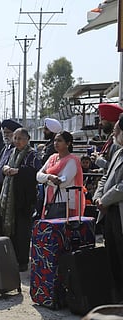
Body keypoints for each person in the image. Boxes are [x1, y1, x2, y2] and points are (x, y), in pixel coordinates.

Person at [0, 128, 41, 272]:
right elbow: (4, 165)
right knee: (12, 229)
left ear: (27, 139)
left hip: (24, 197)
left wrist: (18, 171)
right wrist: (6, 168)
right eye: (15, 138)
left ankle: (22, 261)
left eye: (20, 138)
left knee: (23, 230)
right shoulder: (12, 152)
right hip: (11, 196)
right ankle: (12, 258)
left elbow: (35, 172)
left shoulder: (32, 154)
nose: (16, 141)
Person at [93, 113, 123, 301]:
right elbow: (106, 176)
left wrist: (105, 199)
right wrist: (98, 197)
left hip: (117, 209)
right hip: (109, 212)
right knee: (112, 254)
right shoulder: (118, 152)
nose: (114, 134)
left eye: (117, 130)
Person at [36, 131, 85, 218]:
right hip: (50, 200)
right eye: (55, 140)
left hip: (66, 202)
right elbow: (38, 175)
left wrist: (46, 180)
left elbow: (63, 183)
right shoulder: (52, 158)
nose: (56, 143)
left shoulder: (72, 160)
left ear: (68, 143)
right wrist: (49, 177)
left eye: (59, 140)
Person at [0, 119, 22, 234]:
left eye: (9, 133)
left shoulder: (17, 151)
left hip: (10, 188)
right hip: (0, 187)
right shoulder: (5, 149)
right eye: (4, 132)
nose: (6, 135)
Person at [92, 103, 123, 171]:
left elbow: (118, 167)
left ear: (110, 119)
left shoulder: (118, 142)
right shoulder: (112, 138)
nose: (100, 123)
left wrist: (98, 160)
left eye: (102, 119)